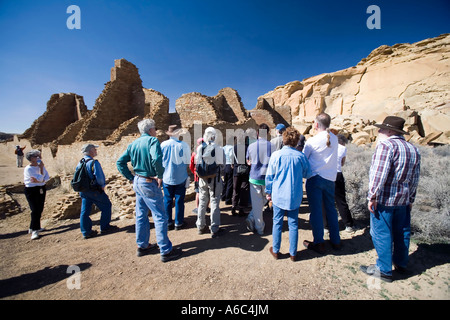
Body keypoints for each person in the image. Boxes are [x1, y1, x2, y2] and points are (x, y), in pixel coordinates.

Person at [360, 116, 421, 282]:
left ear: (389, 131)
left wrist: (372, 196)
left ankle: (384, 269)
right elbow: (415, 179)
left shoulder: (386, 146)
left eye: (381, 129)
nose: (378, 131)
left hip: (384, 200)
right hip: (403, 200)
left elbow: (379, 175)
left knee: (381, 232)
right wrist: (411, 199)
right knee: (402, 232)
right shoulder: (413, 149)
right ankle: (401, 263)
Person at [117, 119, 182, 261]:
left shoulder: (133, 144)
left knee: (141, 215)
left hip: (138, 181)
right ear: (151, 130)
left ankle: (142, 245)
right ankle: (165, 250)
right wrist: (160, 175)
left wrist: (131, 177)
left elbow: (120, 162)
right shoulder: (152, 141)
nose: (156, 130)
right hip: (149, 182)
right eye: (155, 128)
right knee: (160, 216)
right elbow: (157, 159)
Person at [265, 127, 312, 261]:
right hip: (294, 195)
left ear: (284, 139)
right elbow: (308, 173)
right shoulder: (301, 156)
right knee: (293, 224)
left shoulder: (276, 155)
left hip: (279, 194)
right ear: (297, 141)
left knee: (277, 223)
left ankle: (276, 249)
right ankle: (293, 253)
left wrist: (268, 192)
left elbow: (269, 176)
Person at [302, 113, 341, 254]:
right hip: (330, 179)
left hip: (315, 178)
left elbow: (304, 159)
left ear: (317, 124)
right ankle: (336, 240)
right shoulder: (335, 138)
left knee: (316, 211)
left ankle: (319, 242)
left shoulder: (312, 141)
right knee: (331, 209)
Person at [76, 144, 116, 239]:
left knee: (85, 211)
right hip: (94, 190)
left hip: (84, 190)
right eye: (94, 149)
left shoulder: (80, 162)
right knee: (106, 205)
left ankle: (86, 232)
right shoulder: (93, 163)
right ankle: (105, 227)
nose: (96, 151)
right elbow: (99, 177)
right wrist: (102, 185)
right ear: (90, 151)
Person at [195, 127, 225, 238]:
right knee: (214, 202)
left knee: (203, 202)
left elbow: (197, 164)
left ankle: (200, 226)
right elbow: (222, 165)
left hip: (202, 179)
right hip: (215, 179)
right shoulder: (218, 148)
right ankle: (214, 228)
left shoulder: (200, 148)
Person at [161, 125, 190, 231]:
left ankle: (168, 222)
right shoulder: (184, 145)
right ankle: (178, 223)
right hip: (180, 176)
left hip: (166, 176)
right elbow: (187, 161)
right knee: (179, 200)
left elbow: (160, 160)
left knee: (167, 200)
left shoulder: (163, 144)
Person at [246, 123, 272, 235]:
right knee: (265, 199)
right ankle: (257, 223)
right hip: (267, 178)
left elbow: (248, 162)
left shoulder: (251, 146)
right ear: (267, 133)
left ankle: (258, 226)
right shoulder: (272, 146)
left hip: (255, 177)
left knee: (257, 202)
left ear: (257, 133)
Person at [24, 149, 50, 240]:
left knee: (39, 208)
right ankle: (35, 230)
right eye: (37, 156)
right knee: (35, 209)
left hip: (41, 188)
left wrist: (40, 179)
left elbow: (46, 177)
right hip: (31, 190)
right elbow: (40, 178)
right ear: (32, 158)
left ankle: (33, 227)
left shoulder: (40, 166)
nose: (40, 158)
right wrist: (41, 175)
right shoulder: (29, 169)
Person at [335, 134, 356, 232]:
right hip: (338, 174)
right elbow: (342, 163)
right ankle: (348, 225)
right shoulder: (343, 148)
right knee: (341, 200)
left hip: (327, 174)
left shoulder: (329, 146)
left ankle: (325, 226)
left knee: (325, 200)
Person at [231, 134, 250, 216]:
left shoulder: (234, 148)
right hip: (245, 171)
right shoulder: (247, 148)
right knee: (244, 189)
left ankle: (233, 207)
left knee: (236, 189)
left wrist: (233, 165)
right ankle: (241, 209)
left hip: (236, 170)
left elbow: (231, 159)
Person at [189, 138, 204, 214]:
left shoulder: (194, 153)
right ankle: (205, 207)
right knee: (206, 192)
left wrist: (194, 172)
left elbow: (191, 165)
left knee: (198, 192)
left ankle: (197, 207)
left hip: (197, 176)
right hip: (205, 175)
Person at [221, 136, 234, 205]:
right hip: (229, 165)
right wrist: (232, 164)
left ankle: (223, 196)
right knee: (230, 183)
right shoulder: (231, 148)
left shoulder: (224, 147)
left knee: (225, 182)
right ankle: (228, 199)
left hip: (224, 165)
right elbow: (231, 156)